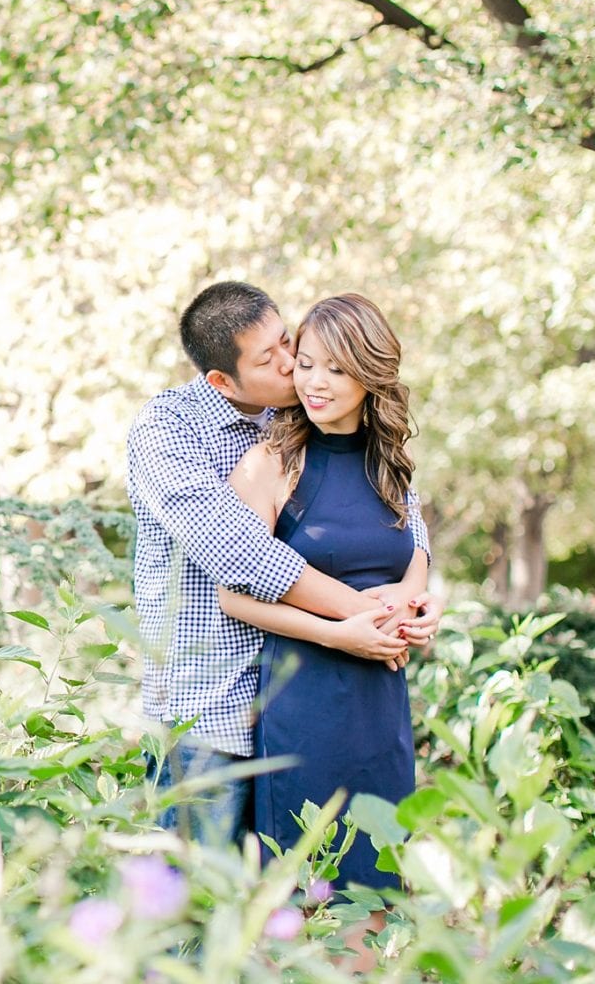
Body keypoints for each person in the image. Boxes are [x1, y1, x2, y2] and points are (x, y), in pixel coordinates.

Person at [127, 283, 439, 847]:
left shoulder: (310, 417)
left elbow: (402, 522)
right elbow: (241, 554)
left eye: (288, 341)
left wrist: (416, 595)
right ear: (223, 380)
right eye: (271, 360)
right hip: (213, 709)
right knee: (194, 911)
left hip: (306, 698)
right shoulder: (168, 432)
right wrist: (367, 618)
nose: (296, 365)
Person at [217, 292, 424, 895]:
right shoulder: (269, 464)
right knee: (307, 894)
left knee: (380, 885)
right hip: (304, 703)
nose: (315, 382)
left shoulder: (393, 463)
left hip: (381, 706)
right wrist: (343, 633)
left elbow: (414, 562)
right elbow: (237, 599)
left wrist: (414, 612)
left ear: (369, 371)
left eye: (336, 368)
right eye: (305, 363)